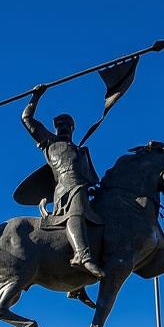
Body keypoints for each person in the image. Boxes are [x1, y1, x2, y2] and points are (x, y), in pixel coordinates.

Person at [22, 85, 105, 279]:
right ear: (56, 128)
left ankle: (78, 286)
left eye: (67, 125)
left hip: (83, 189)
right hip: (66, 189)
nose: (64, 127)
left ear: (73, 128)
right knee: (78, 203)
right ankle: (81, 256)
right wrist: (36, 97)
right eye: (60, 125)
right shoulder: (50, 141)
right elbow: (26, 119)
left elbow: (93, 180)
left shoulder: (82, 151)